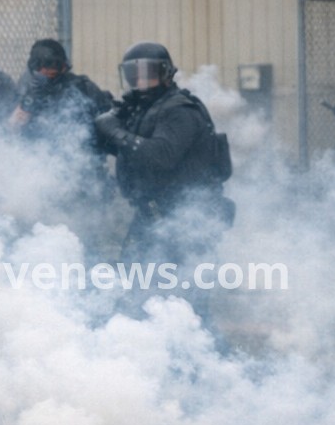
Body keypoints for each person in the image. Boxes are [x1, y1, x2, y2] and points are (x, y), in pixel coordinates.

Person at [94, 41, 233, 316]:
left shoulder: (181, 110)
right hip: (151, 217)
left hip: (185, 223)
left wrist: (116, 133)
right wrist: (105, 129)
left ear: (167, 73)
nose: (142, 81)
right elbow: (130, 151)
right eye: (135, 75)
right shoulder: (145, 108)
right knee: (135, 295)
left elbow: (161, 155)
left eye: (150, 73)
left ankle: (209, 357)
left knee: (183, 309)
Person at [10, 38, 112, 142]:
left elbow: (108, 118)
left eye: (58, 64)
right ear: (36, 66)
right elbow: (13, 128)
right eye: (49, 64)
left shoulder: (81, 87)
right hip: (39, 151)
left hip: (81, 150)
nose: (54, 68)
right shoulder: (25, 88)